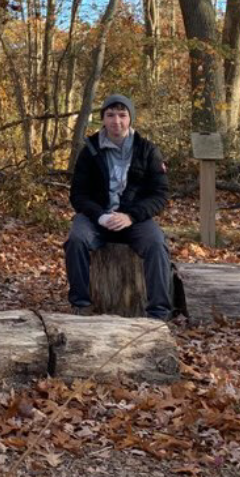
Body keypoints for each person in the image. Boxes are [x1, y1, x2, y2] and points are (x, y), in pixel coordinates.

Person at [65, 94, 171, 320]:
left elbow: (159, 194)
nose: (117, 121)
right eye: (110, 115)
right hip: (97, 218)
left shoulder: (147, 150)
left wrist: (131, 216)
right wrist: (100, 215)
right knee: (76, 239)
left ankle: (159, 313)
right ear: (103, 118)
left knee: (156, 244)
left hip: (134, 219)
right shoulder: (90, 150)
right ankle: (81, 306)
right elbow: (78, 194)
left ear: (130, 118)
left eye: (122, 115)